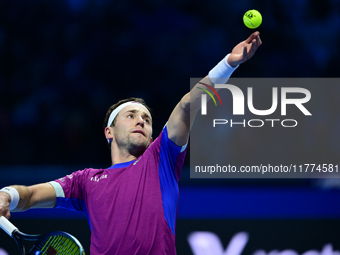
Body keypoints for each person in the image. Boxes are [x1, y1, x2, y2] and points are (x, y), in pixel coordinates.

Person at [0, 31, 262, 255]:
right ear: (109, 132)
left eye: (147, 119)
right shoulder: (85, 182)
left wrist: (228, 64)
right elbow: (31, 195)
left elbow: (186, 106)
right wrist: (6, 195)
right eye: (131, 116)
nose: (141, 121)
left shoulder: (161, 160)